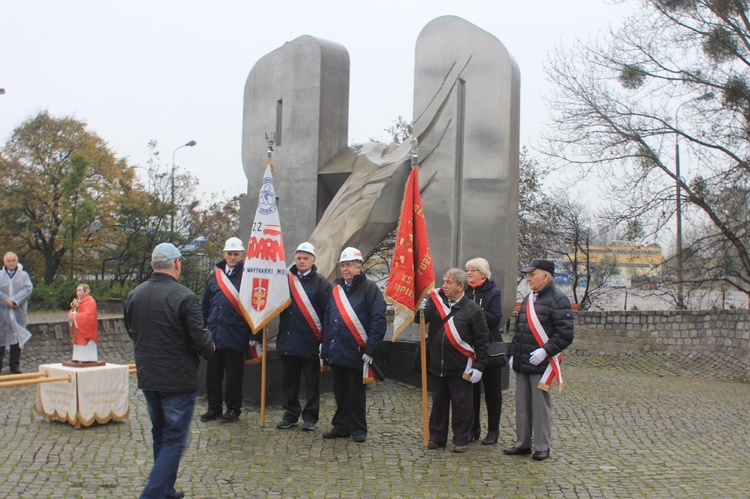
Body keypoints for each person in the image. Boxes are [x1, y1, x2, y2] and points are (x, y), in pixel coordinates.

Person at [125, 242, 214, 499]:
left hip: (149, 377)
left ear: (153, 265)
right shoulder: (185, 297)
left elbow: (132, 331)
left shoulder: (135, 295)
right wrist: (210, 344)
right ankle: (154, 493)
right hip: (178, 380)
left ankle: (165, 489)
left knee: (160, 434)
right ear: (177, 264)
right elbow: (201, 341)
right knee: (174, 439)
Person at [504, 259, 574, 462]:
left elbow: (565, 335)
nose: (528, 278)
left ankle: (542, 446)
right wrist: (513, 355)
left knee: (540, 405)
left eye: (532, 274)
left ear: (545, 275)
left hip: (542, 364)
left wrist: (545, 351)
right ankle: (522, 442)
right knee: (522, 404)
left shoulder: (559, 300)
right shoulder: (528, 299)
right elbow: (520, 330)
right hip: (523, 359)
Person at [320, 246, 386, 443]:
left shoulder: (370, 289)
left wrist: (371, 348)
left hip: (357, 350)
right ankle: (340, 426)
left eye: (349, 265)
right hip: (337, 349)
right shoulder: (336, 290)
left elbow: (378, 320)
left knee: (356, 392)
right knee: (339, 390)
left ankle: (358, 428)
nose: (345, 269)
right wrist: (325, 348)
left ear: (359, 267)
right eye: (343, 265)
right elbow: (328, 319)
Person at [422, 268, 489, 453]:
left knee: (462, 404)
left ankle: (461, 438)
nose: (444, 286)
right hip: (438, 364)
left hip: (461, 366)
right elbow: (420, 320)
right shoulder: (436, 303)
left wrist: (480, 365)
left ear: (460, 286)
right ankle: (437, 436)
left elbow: (482, 341)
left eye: (449, 283)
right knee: (439, 403)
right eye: (444, 282)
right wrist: (421, 304)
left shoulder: (473, 310)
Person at [276, 242, 332, 432]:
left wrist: (324, 341)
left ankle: (310, 417)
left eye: (305, 258)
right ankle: (290, 414)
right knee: (289, 382)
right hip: (289, 338)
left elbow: (327, 314)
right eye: (299, 258)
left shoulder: (322, 284)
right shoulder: (285, 280)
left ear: (313, 261)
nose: (301, 261)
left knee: (311, 383)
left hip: (310, 341)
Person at [200, 237, 254, 424]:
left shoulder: (248, 276)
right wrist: (203, 330)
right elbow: (205, 305)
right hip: (214, 333)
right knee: (213, 375)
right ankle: (214, 408)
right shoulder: (214, 276)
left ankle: (233, 409)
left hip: (236, 334)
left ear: (242, 255)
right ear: (224, 254)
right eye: (229, 254)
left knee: (233, 377)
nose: (232, 257)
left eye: (236, 254)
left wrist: (254, 335)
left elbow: (255, 307)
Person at [465, 257, 504, 445]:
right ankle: (473, 428)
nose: (469, 273)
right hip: (469, 347)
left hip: (489, 346)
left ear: (483, 273)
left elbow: (496, 318)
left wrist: (475, 310)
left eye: (473, 270)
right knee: (471, 391)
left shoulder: (493, 292)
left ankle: (493, 430)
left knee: (492, 391)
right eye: (468, 270)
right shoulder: (464, 291)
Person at [0, 252, 33, 374]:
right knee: (1, 338)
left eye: (13, 260)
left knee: (16, 338)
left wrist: (14, 301)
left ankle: (14, 365)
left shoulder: (23, 275)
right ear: (4, 262)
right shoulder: (0, 275)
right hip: (2, 312)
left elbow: (28, 289)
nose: (11, 263)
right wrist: (5, 301)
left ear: (16, 261)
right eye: (8, 261)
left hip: (17, 311)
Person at [68, 284, 99, 362]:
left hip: (87, 328)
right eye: (77, 290)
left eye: (80, 290)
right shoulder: (77, 302)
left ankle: (88, 358)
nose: (78, 293)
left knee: (86, 344)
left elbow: (89, 315)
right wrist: (71, 315)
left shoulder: (91, 302)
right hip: (78, 328)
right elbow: (72, 311)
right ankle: (77, 357)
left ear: (87, 291)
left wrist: (75, 316)